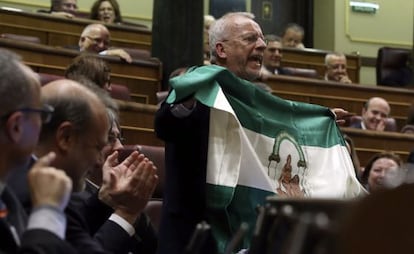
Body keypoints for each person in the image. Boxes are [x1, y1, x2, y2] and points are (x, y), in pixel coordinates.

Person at [155, 12, 355, 254]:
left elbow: (279, 125)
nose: (261, 45)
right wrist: (189, 98)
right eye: (250, 39)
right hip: (192, 238)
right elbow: (166, 124)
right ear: (221, 49)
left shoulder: (254, 102)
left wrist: (313, 124)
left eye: (262, 39)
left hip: (244, 240)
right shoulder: (199, 85)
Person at [36, 79, 159, 253]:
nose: (98, 160)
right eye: (97, 147)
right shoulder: (28, 192)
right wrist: (126, 213)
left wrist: (106, 200)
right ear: (65, 138)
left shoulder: (53, 186)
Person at [0, 48, 75, 253]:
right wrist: (48, 211)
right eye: (41, 114)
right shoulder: (32, 194)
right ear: (16, 126)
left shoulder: (7, 196)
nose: (44, 124)